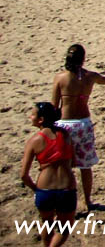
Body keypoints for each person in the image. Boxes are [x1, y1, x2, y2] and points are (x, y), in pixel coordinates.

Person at [51, 45, 105, 211]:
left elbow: (54, 106)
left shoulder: (60, 78)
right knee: (85, 166)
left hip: (65, 124)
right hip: (83, 124)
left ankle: (65, 201)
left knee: (64, 166)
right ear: (83, 59)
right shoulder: (90, 76)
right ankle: (87, 200)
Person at [20, 102, 76, 247]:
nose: (30, 117)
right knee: (65, 228)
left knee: (47, 223)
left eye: (33, 114)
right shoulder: (66, 134)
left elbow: (24, 175)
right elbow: (74, 162)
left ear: (41, 120)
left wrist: (35, 189)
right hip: (66, 188)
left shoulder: (34, 141)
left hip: (44, 189)